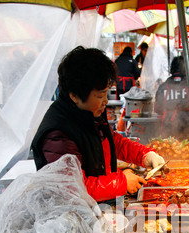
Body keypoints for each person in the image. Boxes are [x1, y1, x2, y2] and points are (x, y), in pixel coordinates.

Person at [31, 46, 164, 202]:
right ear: (75, 95)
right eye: (100, 95)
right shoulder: (58, 134)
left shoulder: (88, 114)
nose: (106, 101)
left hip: (99, 206)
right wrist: (122, 182)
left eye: (106, 93)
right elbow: (73, 188)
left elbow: (113, 141)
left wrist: (145, 155)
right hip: (74, 216)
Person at [154, 56, 189, 141]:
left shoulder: (163, 86)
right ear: (187, 69)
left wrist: (170, 108)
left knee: (169, 151)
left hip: (168, 125)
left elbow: (157, 109)